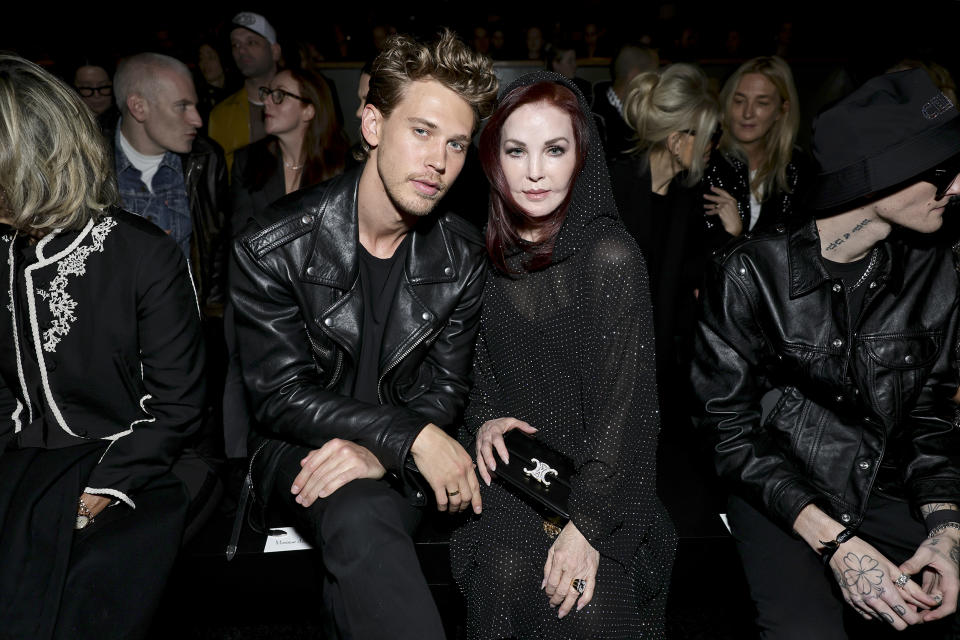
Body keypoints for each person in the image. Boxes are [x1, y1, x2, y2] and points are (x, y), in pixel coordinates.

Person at [229, 30, 498, 639]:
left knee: (364, 509)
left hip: (402, 459)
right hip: (296, 452)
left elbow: (447, 388)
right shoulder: (275, 245)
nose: (440, 161)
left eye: (457, 144)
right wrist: (410, 439)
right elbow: (277, 397)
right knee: (359, 506)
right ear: (373, 125)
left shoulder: (461, 257)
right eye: (422, 132)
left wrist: (384, 450)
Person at [691, 68, 960, 639]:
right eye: (941, 174)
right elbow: (727, 432)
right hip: (777, 485)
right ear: (876, 177)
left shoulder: (936, 267)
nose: (958, 187)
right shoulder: (751, 272)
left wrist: (945, 530)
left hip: (882, 482)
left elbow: (931, 417)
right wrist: (836, 543)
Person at [449, 71, 676, 639]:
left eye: (554, 150)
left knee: (585, 608)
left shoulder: (610, 258)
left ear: (582, 158)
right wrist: (484, 423)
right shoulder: (487, 257)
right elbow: (474, 381)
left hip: (604, 482)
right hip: (520, 475)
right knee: (501, 577)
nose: (534, 171)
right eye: (516, 150)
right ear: (494, 161)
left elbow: (628, 417)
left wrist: (587, 530)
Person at [0, 54, 205, 639]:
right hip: (22, 464)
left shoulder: (143, 253)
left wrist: (94, 494)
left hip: (133, 464)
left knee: (86, 594)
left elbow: (179, 409)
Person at [609, 63, 720, 462]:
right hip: (603, 367)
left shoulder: (688, 197)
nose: (712, 147)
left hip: (656, 373)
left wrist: (730, 231)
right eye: (707, 137)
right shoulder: (613, 188)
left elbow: (694, 281)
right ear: (676, 141)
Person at [112, 52, 229, 319]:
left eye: (194, 106)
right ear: (138, 107)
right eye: (182, 106)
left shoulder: (206, 159)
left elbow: (218, 250)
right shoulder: (89, 164)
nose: (198, 120)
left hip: (187, 330)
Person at [703, 56, 806, 254]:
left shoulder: (795, 168)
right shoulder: (706, 162)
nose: (747, 113)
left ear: (781, 110)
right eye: (739, 100)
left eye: (762, 102)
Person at [231, 67, 349, 226]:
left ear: (308, 111)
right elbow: (239, 233)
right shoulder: (247, 160)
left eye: (279, 95)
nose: (266, 101)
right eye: (267, 93)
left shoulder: (340, 166)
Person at [209, 11, 282, 174]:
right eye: (235, 45)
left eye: (251, 42)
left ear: (275, 51)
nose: (241, 51)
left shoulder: (300, 104)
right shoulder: (221, 114)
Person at [592, 44, 659, 162]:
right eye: (653, 75)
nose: (657, 83)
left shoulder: (648, 113)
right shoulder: (592, 118)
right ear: (636, 76)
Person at [72, 59, 120, 132]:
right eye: (86, 87)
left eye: (104, 86)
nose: (96, 95)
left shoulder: (124, 126)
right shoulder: (66, 125)